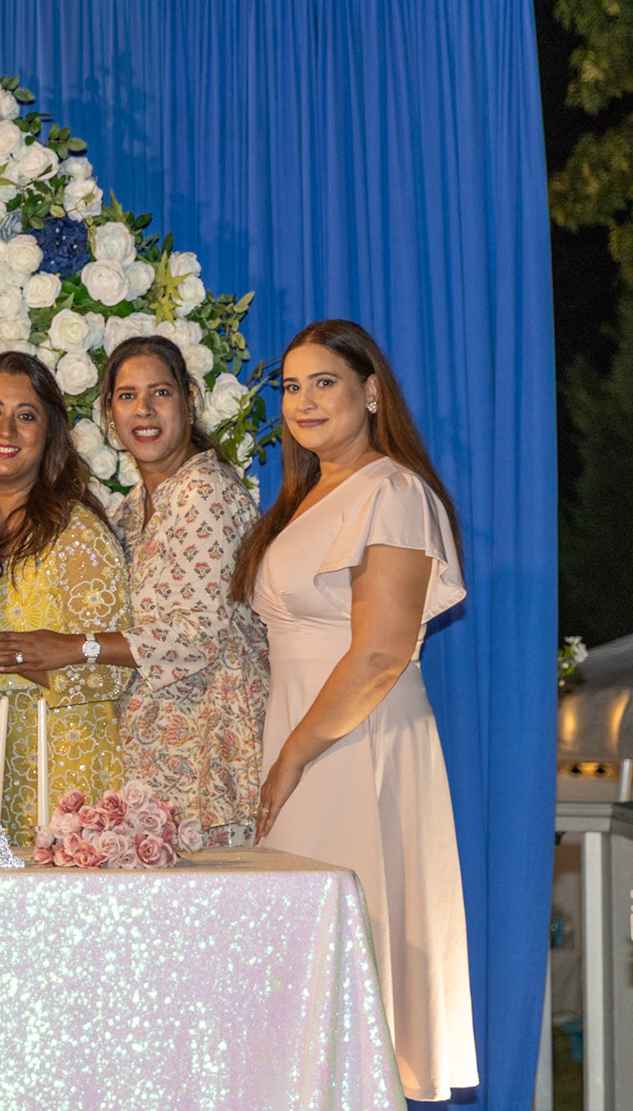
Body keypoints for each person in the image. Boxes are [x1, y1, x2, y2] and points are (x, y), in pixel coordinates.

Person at [233, 319, 474, 1101]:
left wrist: (294, 755)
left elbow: (379, 653)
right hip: (306, 735)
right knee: (305, 961)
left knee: (350, 951)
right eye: (290, 387)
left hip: (354, 739)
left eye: (324, 382)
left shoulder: (393, 491)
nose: (303, 401)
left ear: (371, 393)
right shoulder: (309, 496)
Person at [0, 335, 270, 845]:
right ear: (109, 415)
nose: (143, 409)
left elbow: (199, 635)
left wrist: (74, 646)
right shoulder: (129, 511)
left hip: (210, 747)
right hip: (156, 752)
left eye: (160, 393)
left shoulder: (204, 492)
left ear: (189, 402)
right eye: (127, 396)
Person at [0, 352, 133, 849]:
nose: (6, 429)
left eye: (26, 416)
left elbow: (115, 672)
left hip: (64, 766)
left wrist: (5, 651)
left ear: (49, 435)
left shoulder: (77, 534)